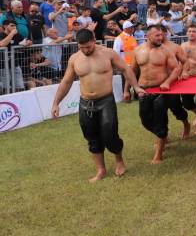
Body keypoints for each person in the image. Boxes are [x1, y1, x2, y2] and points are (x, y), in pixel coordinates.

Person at [51, 29, 145, 182]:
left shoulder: (108, 54)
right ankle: (101, 170)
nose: (85, 50)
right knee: (92, 138)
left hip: (106, 101)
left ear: (94, 40)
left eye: (88, 47)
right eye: (82, 48)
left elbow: (125, 69)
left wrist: (136, 87)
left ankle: (119, 160)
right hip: (86, 103)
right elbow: (66, 82)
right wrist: (56, 103)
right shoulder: (75, 59)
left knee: (110, 135)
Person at [132, 25, 181, 164]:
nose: (161, 38)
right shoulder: (138, 50)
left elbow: (176, 68)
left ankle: (158, 153)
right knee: (145, 120)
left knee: (160, 120)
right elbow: (132, 71)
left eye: (161, 35)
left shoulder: (166, 51)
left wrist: (167, 82)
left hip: (160, 90)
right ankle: (163, 135)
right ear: (148, 36)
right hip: (144, 90)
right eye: (157, 35)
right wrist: (129, 89)